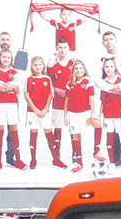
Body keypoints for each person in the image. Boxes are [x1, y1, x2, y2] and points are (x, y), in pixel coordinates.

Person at [97, 31, 121, 166]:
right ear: (103, 43)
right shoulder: (101, 60)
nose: (109, 42)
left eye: (111, 39)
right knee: (113, 133)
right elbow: (98, 80)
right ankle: (116, 161)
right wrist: (112, 88)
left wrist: (120, 86)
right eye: (106, 40)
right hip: (110, 98)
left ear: (115, 40)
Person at [0, 49, 25, 172]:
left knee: (13, 129)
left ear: (11, 59)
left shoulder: (15, 73)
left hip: (12, 104)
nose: (6, 59)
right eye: (4, 57)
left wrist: (12, 87)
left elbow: (18, 89)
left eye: (8, 57)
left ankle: (18, 159)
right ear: (0, 58)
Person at [64, 59, 100, 173]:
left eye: (81, 68)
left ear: (84, 69)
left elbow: (91, 98)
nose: (79, 71)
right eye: (76, 69)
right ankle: (79, 163)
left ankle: (96, 151)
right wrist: (65, 116)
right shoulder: (70, 84)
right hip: (73, 113)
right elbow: (66, 101)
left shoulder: (88, 81)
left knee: (98, 125)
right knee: (76, 137)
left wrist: (93, 113)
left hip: (85, 112)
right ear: (73, 71)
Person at [23, 56, 59, 169]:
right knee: (33, 134)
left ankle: (56, 159)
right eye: (35, 65)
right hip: (32, 112)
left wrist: (45, 108)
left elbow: (51, 94)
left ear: (43, 65)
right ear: (32, 67)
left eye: (40, 64)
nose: (38, 67)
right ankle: (33, 159)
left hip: (45, 111)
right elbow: (26, 95)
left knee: (49, 133)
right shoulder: (29, 79)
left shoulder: (47, 79)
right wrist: (35, 109)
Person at [47, 38, 74, 168]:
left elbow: (82, 78)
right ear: (57, 48)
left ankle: (76, 157)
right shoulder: (53, 66)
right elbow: (47, 82)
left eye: (65, 47)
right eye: (60, 47)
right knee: (58, 128)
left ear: (68, 48)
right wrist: (57, 89)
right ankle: (56, 158)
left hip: (72, 102)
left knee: (75, 129)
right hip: (58, 101)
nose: (62, 50)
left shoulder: (73, 64)